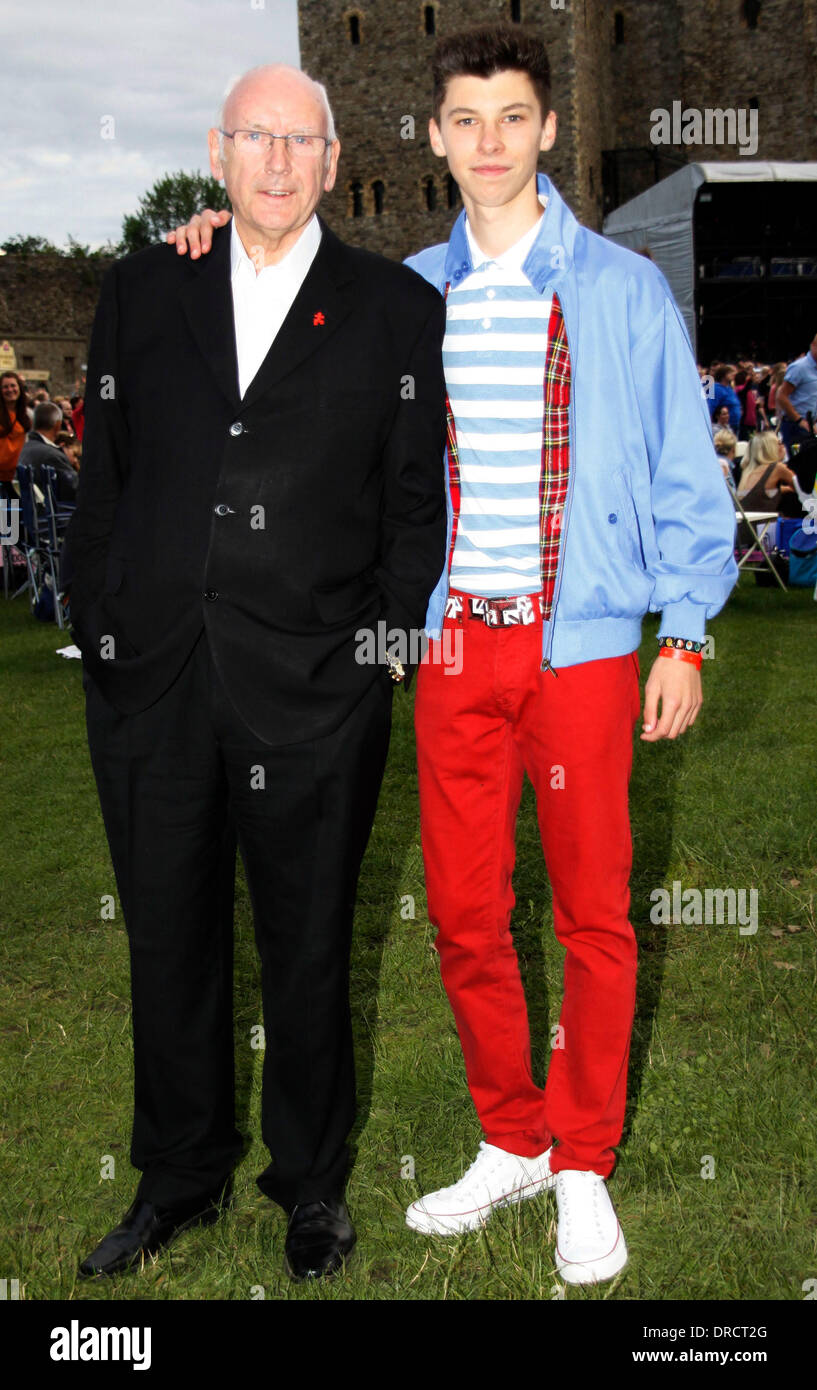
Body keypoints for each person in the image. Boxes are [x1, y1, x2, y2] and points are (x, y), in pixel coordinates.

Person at [174, 24, 737, 1288]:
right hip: (451, 652)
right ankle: (511, 1134)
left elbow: (681, 478)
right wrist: (208, 235)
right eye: (465, 120)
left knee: (594, 912)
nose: (489, 142)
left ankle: (582, 1158)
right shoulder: (402, 299)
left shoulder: (620, 292)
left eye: (513, 117)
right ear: (432, 138)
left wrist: (684, 632)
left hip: (584, 646)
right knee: (468, 913)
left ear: (547, 129)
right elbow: (273, 286)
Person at [64, 62, 446, 1284]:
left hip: (316, 693)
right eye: (255, 138)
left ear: (335, 165)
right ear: (218, 156)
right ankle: (177, 1173)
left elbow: (411, 503)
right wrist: (99, 622)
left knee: (309, 942)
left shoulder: (393, 307)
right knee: (166, 938)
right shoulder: (140, 289)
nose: (278, 161)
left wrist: (376, 654)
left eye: (302, 141)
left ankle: (310, 1182)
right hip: (155, 683)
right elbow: (105, 478)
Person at [17, 401, 79, 503]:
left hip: (21, 513)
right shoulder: (52, 455)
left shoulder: (24, 448)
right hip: (48, 514)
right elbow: (75, 491)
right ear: (58, 425)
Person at [776, 334, 817, 455]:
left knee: (810, 464)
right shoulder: (799, 367)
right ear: (813, 346)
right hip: (795, 426)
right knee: (797, 461)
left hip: (810, 425)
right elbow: (782, 396)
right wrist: (799, 420)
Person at [736, 429, 796, 511]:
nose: (782, 446)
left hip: (748, 522)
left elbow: (761, 493)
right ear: (770, 449)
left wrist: (786, 489)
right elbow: (802, 487)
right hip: (768, 522)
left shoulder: (747, 471)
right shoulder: (777, 468)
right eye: (779, 443)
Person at [0, 371, 31, 501]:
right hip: (1, 480)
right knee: (4, 519)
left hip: (18, 477)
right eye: (5, 387)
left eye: (13, 386)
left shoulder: (26, 414)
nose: (10, 390)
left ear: (19, 388)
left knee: (17, 518)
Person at [708, 365, 742, 434]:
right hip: (722, 426)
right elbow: (711, 407)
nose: (733, 374)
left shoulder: (729, 388)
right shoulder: (716, 389)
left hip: (734, 424)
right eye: (730, 372)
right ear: (723, 375)